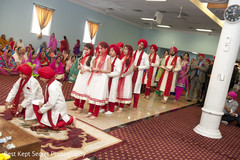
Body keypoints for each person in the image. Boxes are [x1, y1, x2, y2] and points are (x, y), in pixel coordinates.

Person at [84, 42, 111, 119]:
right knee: (92, 94)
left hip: (102, 78)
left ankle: (95, 113)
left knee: (98, 95)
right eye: (99, 48)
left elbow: (109, 70)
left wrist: (99, 69)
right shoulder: (98, 56)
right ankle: (90, 112)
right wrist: (93, 68)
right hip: (95, 76)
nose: (100, 50)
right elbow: (94, 66)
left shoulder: (107, 58)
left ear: (106, 49)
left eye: (101, 48)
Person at [71, 43, 95, 113]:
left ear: (91, 49)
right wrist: (79, 67)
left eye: (87, 50)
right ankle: (76, 105)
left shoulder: (93, 58)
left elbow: (93, 68)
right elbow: (81, 64)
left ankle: (80, 107)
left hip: (86, 76)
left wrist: (85, 69)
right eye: (84, 50)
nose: (86, 51)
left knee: (83, 91)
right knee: (77, 89)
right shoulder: (84, 56)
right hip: (81, 75)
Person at [101, 44, 122, 114]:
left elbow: (118, 72)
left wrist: (108, 74)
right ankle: (103, 108)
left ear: (116, 52)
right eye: (110, 50)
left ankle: (111, 109)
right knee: (105, 93)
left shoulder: (119, 61)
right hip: (106, 79)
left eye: (112, 51)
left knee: (112, 94)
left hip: (113, 80)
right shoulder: (107, 59)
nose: (110, 52)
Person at [116, 45, 134, 113]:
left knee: (124, 91)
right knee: (119, 90)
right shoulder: (123, 57)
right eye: (124, 49)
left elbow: (131, 70)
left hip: (126, 77)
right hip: (121, 75)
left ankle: (121, 107)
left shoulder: (131, 58)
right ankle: (117, 105)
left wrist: (123, 75)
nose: (124, 50)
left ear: (129, 51)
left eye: (126, 49)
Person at [132, 39, 149, 109]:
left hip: (138, 74)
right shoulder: (133, 52)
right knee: (129, 87)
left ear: (144, 46)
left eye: (142, 45)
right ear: (138, 44)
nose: (140, 46)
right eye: (140, 44)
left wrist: (138, 67)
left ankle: (135, 105)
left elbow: (147, 65)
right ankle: (127, 103)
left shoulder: (145, 55)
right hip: (131, 72)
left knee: (136, 89)